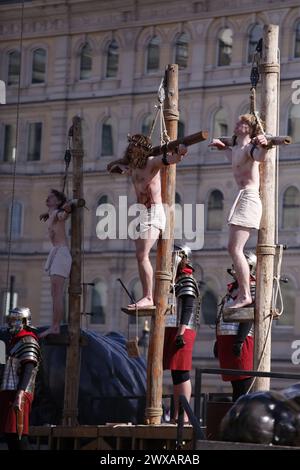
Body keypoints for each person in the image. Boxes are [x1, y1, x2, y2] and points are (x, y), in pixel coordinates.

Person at [107, 134, 188, 309]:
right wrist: (116, 165)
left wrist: (181, 153)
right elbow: (116, 165)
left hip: (155, 213)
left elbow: (171, 159)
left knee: (142, 255)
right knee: (140, 256)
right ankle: (147, 295)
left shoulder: (151, 162)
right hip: (142, 214)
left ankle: (148, 297)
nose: (130, 150)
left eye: (133, 148)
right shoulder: (132, 166)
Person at [209, 114, 268, 309]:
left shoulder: (251, 149)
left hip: (249, 198)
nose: (237, 123)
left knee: (235, 248)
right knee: (232, 248)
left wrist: (264, 145)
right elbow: (233, 157)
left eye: (243, 123)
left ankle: (244, 294)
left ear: (250, 129)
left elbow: (259, 157)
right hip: (242, 198)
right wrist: (222, 147)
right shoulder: (236, 150)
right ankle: (243, 294)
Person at [163, 246, 201, 423]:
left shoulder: (186, 279)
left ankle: (184, 414)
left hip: (182, 330)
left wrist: (181, 333)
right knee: (175, 373)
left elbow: (187, 308)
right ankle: (176, 413)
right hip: (173, 329)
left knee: (182, 372)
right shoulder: (175, 279)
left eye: (175, 256)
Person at [214, 252, 256, 402]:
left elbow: (249, 315)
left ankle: (241, 421)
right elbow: (222, 316)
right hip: (227, 341)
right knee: (235, 384)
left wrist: (239, 341)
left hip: (242, 341)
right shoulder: (231, 290)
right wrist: (218, 342)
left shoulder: (252, 287)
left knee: (243, 384)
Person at [0, 307, 41, 450]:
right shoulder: (8, 340)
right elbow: (1, 366)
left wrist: (20, 394)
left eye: (15, 320)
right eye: (10, 320)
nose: (11, 323)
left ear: (23, 321)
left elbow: (28, 368)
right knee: (8, 435)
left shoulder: (28, 339)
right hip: (6, 392)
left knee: (18, 434)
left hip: (19, 393)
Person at [39, 189, 72, 337]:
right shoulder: (53, 214)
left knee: (57, 293)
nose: (47, 198)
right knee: (54, 293)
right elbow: (56, 215)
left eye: (51, 197)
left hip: (61, 254)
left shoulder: (58, 214)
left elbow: (63, 215)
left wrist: (66, 209)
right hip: (57, 255)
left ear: (58, 201)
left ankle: (56, 326)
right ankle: (54, 325)